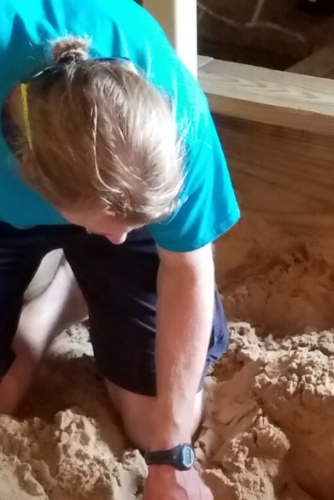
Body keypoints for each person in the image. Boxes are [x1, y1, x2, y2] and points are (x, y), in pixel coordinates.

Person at [0, 1, 240, 498]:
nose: (119, 240)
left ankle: (77, 284)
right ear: (29, 173)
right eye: (108, 229)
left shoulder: (178, 125)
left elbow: (187, 271)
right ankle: (51, 303)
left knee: (160, 421)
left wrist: (172, 457)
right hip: (13, 212)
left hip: (115, 188)